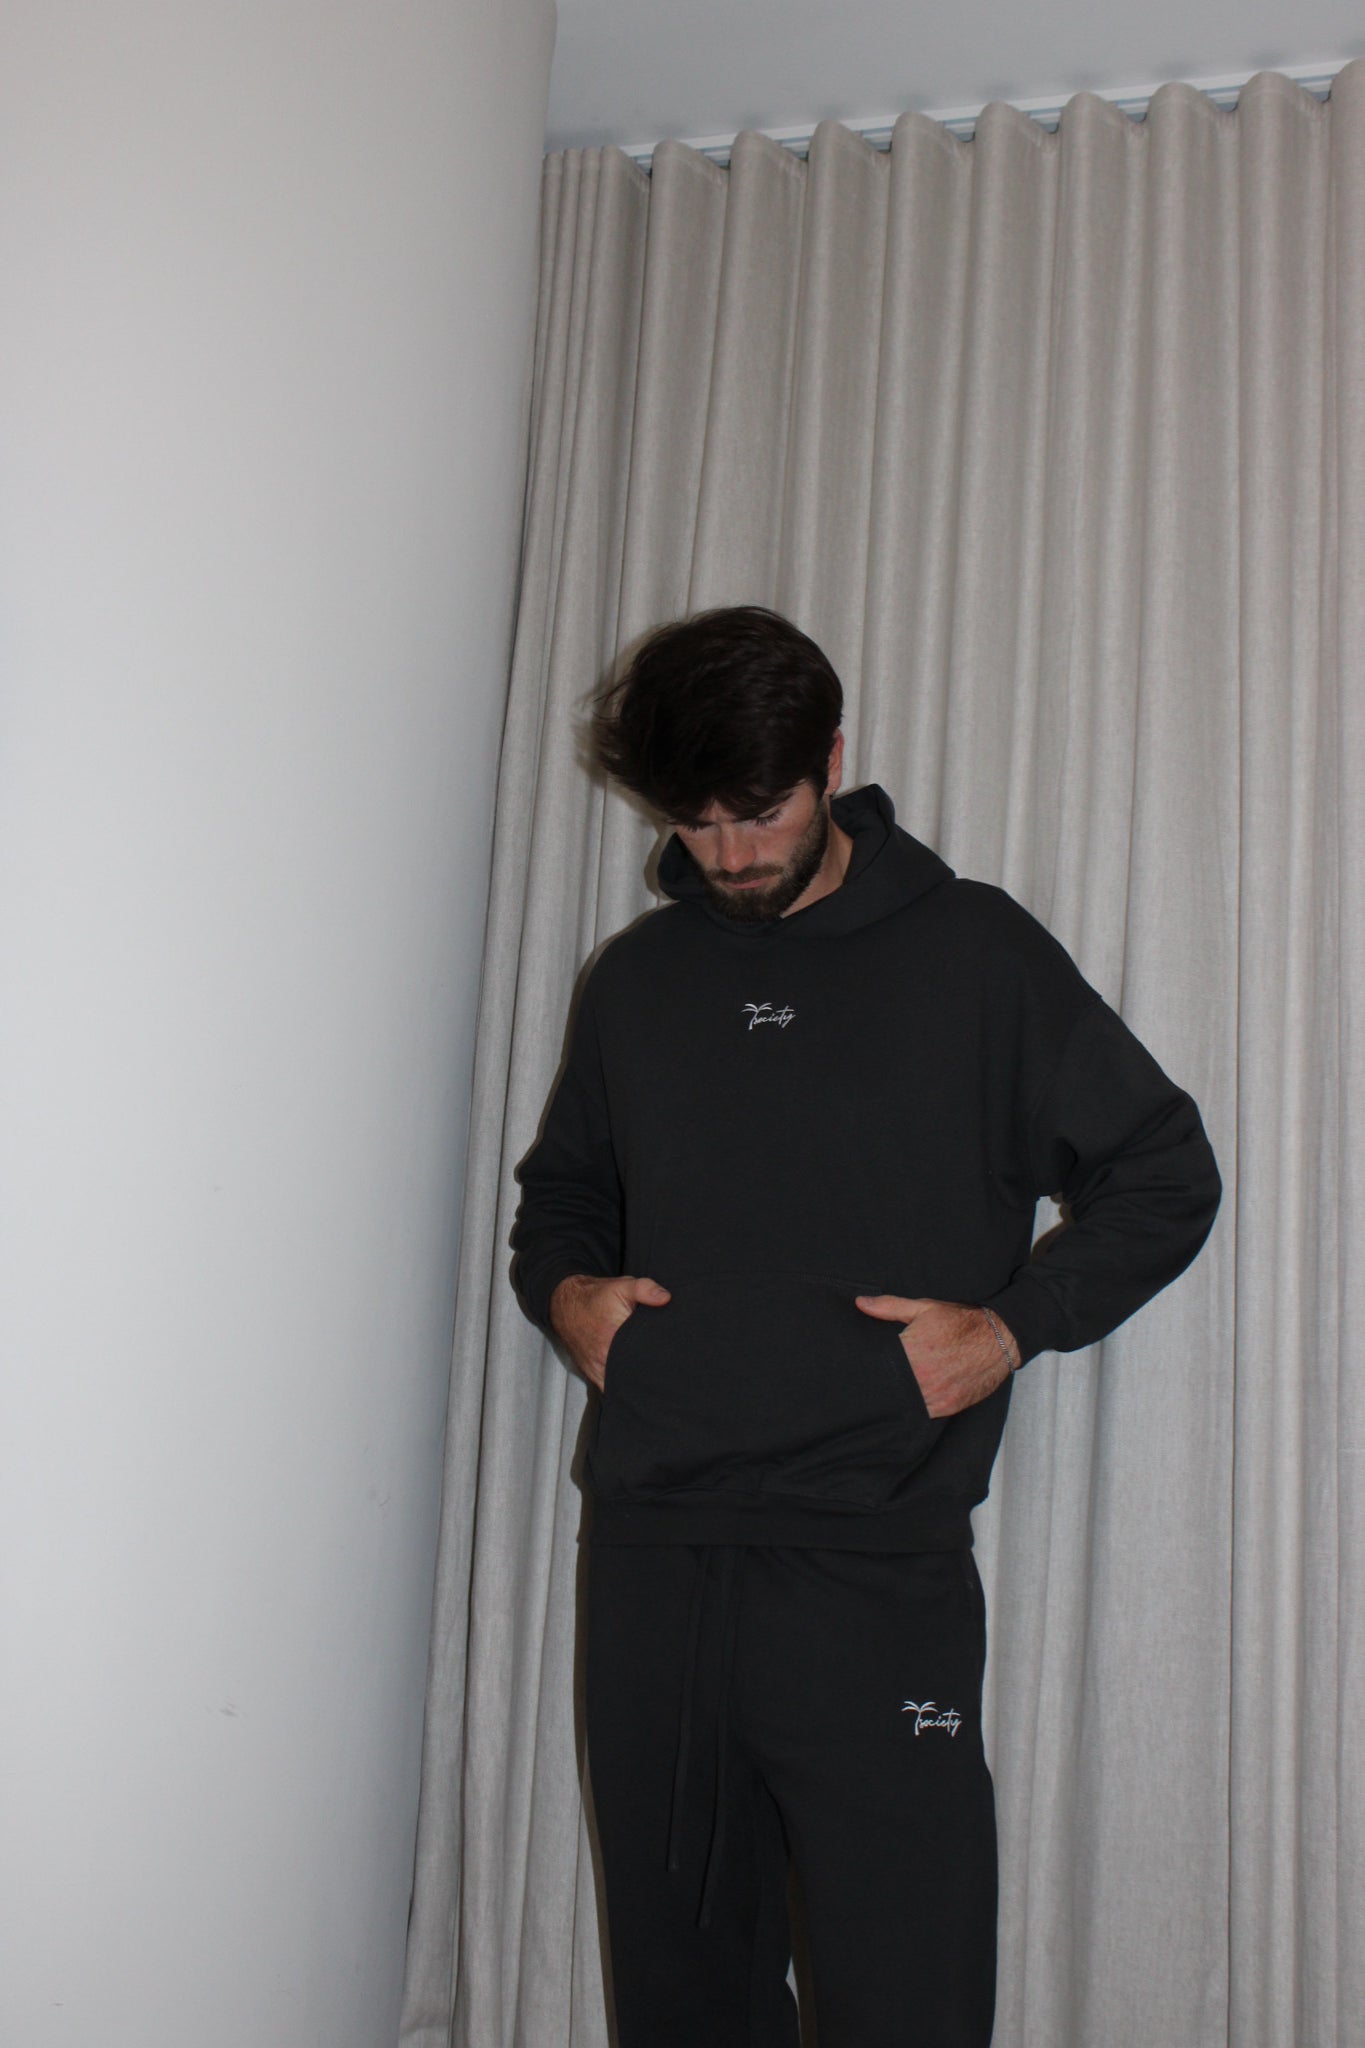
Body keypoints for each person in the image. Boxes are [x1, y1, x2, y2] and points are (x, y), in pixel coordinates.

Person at [510, 606, 1221, 2048]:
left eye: (757, 810)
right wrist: (570, 1296)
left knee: (905, 1995)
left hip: (875, 1570)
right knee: (680, 2002)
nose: (727, 854)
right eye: (693, 820)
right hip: (654, 1564)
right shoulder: (638, 981)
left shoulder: (975, 953)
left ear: (830, 761)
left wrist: (1013, 1327)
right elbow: (563, 1200)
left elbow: (1163, 1171)